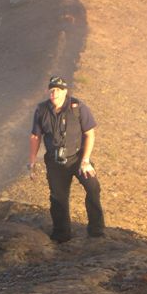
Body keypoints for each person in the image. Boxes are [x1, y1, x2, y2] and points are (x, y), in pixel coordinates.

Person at [28, 76, 105, 242]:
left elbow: (89, 133)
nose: (54, 93)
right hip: (55, 161)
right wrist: (32, 161)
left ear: (65, 91)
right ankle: (61, 235)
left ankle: (96, 231)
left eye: (57, 90)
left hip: (78, 157)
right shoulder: (41, 110)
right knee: (58, 197)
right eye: (51, 90)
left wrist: (86, 160)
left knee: (93, 187)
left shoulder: (77, 107)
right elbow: (35, 136)